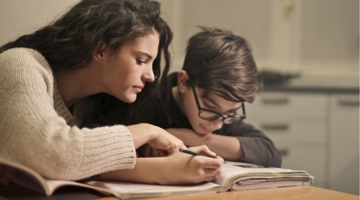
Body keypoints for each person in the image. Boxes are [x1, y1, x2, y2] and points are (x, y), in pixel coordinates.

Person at [0, 0, 224, 185]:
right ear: (100, 49)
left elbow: (74, 164)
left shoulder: (87, 105)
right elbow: (57, 155)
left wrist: (159, 163)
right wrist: (147, 132)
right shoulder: (21, 64)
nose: (151, 76)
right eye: (141, 60)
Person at [93, 26, 282, 167]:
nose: (217, 124)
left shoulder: (222, 116)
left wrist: (191, 138)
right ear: (183, 82)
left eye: (231, 113)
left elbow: (270, 153)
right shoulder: (141, 100)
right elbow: (93, 147)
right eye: (210, 109)